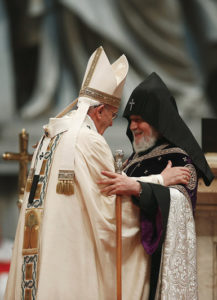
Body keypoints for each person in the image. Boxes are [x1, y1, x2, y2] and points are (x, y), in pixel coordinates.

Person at [4, 48, 191, 300]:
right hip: (71, 259)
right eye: (113, 115)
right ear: (99, 110)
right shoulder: (89, 140)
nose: (113, 123)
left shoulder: (52, 133)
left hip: (43, 255)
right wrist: (160, 181)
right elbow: (112, 205)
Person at [98, 72, 214, 299]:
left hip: (152, 264)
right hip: (122, 259)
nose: (132, 126)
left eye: (139, 119)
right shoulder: (132, 161)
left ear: (158, 121)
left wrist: (138, 188)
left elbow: (180, 202)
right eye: (130, 120)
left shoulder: (180, 159)